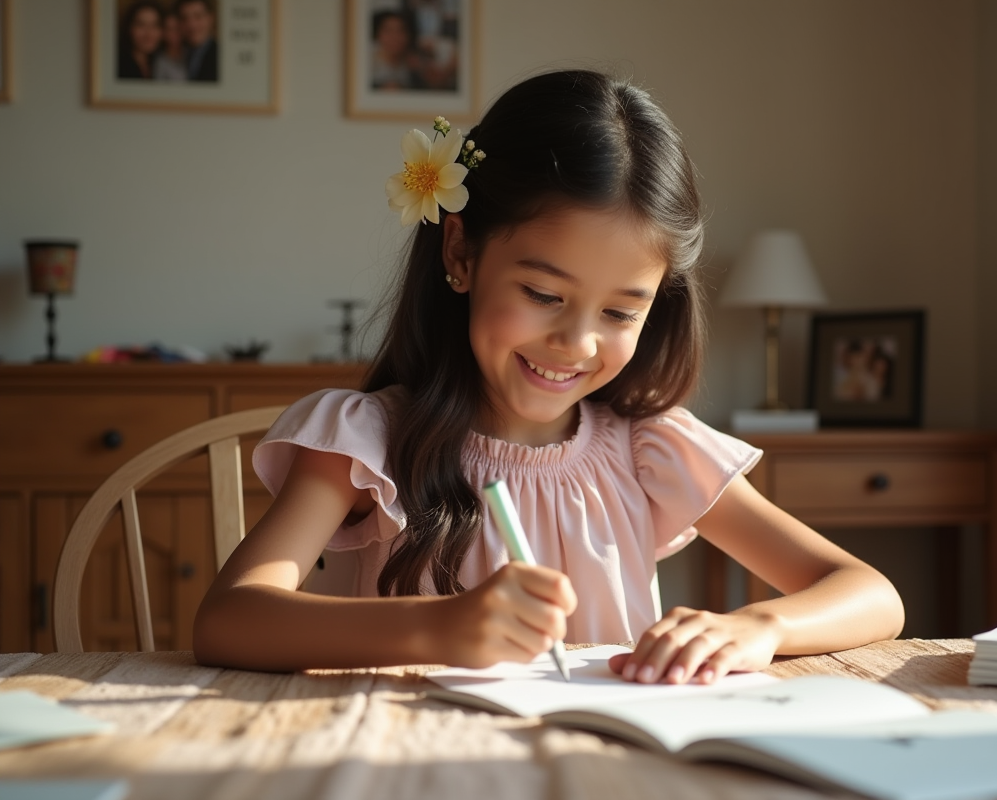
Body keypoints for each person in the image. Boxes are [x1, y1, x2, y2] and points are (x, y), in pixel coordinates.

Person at [194, 70, 905, 681]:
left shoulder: (649, 449)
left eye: (622, 312)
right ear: (462, 253)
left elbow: (870, 593)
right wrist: (436, 629)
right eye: (543, 295)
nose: (576, 342)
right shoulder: (368, 443)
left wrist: (758, 629)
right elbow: (230, 619)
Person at [370, 10, 420, 91]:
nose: (395, 37)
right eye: (388, 31)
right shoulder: (365, 64)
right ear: (377, 34)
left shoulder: (414, 66)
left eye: (401, 31)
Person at [116, 2, 163, 80]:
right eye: (141, 25)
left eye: (155, 25)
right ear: (129, 29)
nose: (149, 34)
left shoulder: (160, 62)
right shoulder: (119, 65)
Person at [177, 0, 218, 82]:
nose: (191, 25)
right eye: (185, 18)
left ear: (210, 18)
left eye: (198, 17)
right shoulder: (177, 53)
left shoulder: (221, 56)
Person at [153, 10, 190, 82]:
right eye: (169, 29)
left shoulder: (192, 54)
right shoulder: (160, 62)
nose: (174, 33)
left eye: (177, 28)